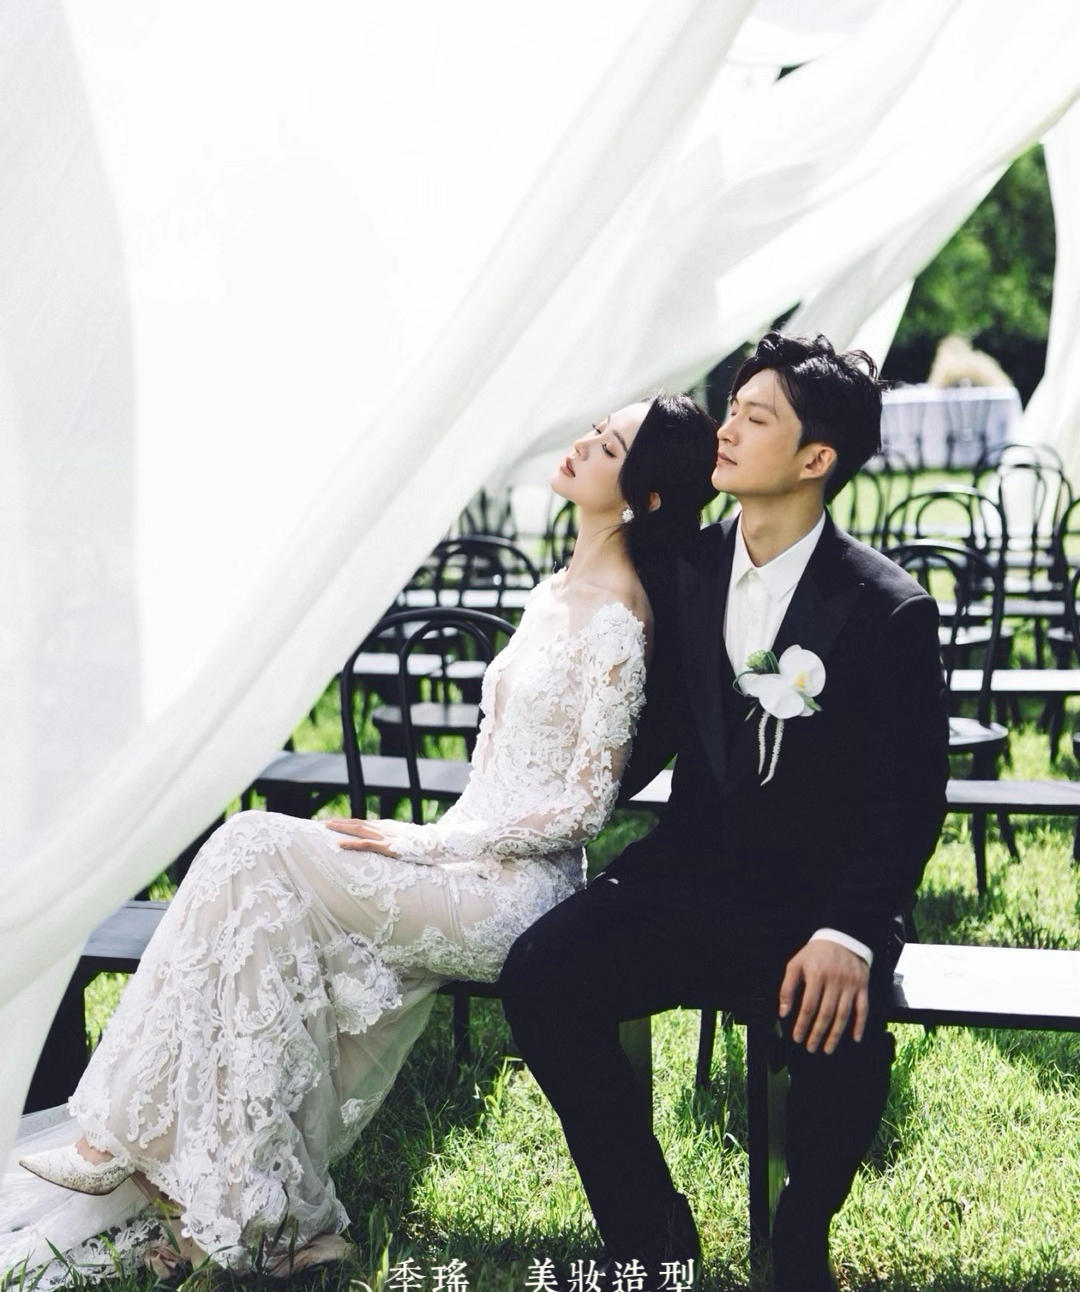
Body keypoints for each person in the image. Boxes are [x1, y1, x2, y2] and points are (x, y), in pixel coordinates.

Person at [6, 393, 719, 1283]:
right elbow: (497, 773)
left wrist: (421, 845)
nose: (582, 444)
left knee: (250, 846)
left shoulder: (621, 616)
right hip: (462, 858)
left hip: (515, 893)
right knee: (259, 901)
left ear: (645, 496)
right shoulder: (554, 591)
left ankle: (127, 1135)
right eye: (596, 428)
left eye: (608, 446)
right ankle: (263, 1208)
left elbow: (582, 811)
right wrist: (435, 841)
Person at [500, 334, 950, 1292]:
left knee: (843, 1032)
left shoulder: (889, 609)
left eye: (756, 417)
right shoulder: (682, 570)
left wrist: (850, 932)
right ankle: (650, 1231)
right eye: (731, 410)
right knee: (541, 975)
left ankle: (800, 1235)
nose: (728, 430)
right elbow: (642, 731)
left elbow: (909, 798)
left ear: (816, 458)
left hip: (816, 901)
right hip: (690, 877)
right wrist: (504, 814)